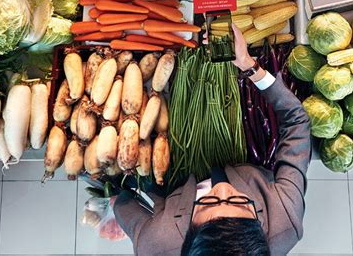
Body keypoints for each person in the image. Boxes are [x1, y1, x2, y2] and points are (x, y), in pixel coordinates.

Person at [114, 24, 311, 256]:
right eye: (240, 202)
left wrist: (122, 181)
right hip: (243, 156)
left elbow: (121, 204)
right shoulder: (285, 218)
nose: (223, 189)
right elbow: (296, 123)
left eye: (209, 203)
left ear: (188, 234)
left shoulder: (156, 243)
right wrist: (249, 65)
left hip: (171, 165)